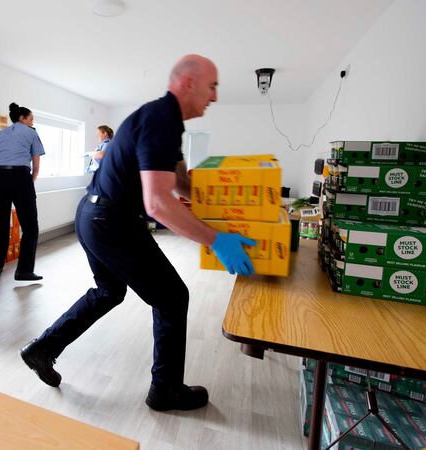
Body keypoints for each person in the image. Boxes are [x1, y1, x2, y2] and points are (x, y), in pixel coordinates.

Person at [20, 54, 256, 412]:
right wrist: (215, 239)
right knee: (172, 297)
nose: (215, 97)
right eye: (213, 86)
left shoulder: (164, 120)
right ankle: (166, 390)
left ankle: (42, 349)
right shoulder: (162, 119)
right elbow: (158, 204)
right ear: (189, 83)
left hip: (92, 214)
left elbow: (178, 180)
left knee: (109, 292)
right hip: (111, 222)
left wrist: (224, 209)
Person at [0, 103, 46, 281]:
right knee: (30, 227)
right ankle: (24, 271)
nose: (32, 121)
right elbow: (36, 167)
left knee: (1, 222)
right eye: (31, 118)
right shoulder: (31, 133)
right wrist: (28, 183)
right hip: (20, 177)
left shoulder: (1, 134)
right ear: (22, 118)